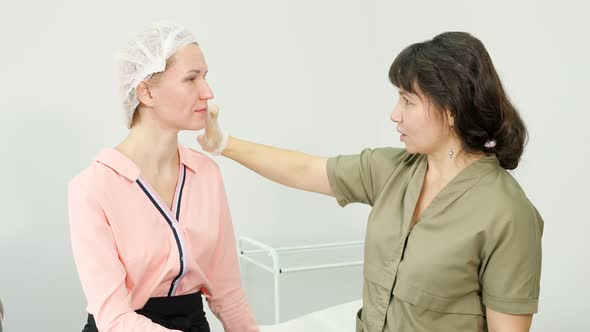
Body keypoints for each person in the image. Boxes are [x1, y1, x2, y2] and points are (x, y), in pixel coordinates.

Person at [198, 32, 543, 332]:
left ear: (451, 109)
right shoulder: (394, 170)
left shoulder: (507, 215)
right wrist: (223, 144)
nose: (395, 113)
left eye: (408, 101)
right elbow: (305, 169)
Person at [67, 22, 258, 332]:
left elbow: (227, 292)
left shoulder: (206, 173)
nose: (207, 93)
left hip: (194, 322)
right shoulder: (92, 188)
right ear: (146, 91)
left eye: (205, 77)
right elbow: (114, 319)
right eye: (191, 79)